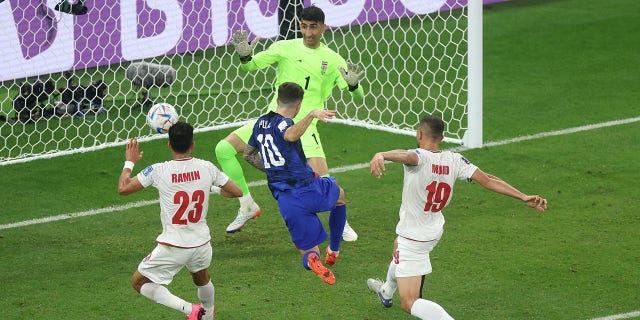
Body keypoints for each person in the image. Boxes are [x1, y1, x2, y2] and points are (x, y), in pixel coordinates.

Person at [365, 115, 548, 319]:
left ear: (419, 134)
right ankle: (387, 291)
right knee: (397, 244)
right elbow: (487, 180)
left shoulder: (419, 157)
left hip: (415, 238)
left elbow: (407, 155)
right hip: (432, 230)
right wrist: (522, 196)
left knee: (410, 302)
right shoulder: (455, 160)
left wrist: (382, 154)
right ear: (442, 138)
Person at [216, 5, 363, 241]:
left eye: (313, 27)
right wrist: (244, 55)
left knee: (325, 181)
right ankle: (246, 204)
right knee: (223, 148)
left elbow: (358, 96)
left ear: (323, 28)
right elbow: (250, 65)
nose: (308, 32)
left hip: (305, 126)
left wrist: (354, 86)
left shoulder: (333, 59)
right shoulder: (284, 48)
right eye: (304, 27)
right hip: (271, 122)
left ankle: (340, 222)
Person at [118, 122, 243, 320]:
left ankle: (191, 311)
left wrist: (129, 162)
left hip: (174, 245)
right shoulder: (206, 167)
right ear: (192, 144)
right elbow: (237, 191)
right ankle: (208, 314)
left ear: (169, 145)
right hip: (201, 242)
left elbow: (123, 188)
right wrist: (210, 188)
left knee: (138, 282)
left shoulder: (158, 170)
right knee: (201, 276)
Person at [243, 82, 347, 285]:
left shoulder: (260, 123)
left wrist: (272, 169)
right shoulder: (285, 123)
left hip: (286, 199)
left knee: (308, 252)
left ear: (277, 99)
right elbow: (289, 135)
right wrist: (311, 115)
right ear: (298, 105)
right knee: (340, 196)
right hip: (308, 187)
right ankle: (333, 249)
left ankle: (314, 260)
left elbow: (248, 154)